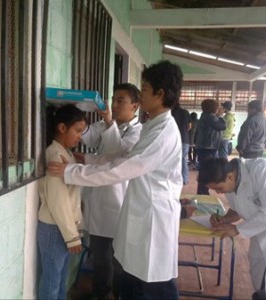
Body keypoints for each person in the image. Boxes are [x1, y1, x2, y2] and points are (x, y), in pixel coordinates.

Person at [49, 60, 183, 299]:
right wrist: (85, 162)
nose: (141, 97)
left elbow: (123, 168)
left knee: (153, 286)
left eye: (144, 90)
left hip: (152, 219)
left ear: (160, 94)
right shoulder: (154, 125)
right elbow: (117, 157)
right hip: (139, 212)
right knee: (131, 278)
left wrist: (72, 172)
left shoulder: (160, 132)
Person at [198, 157, 266, 300]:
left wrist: (237, 229)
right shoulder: (231, 183)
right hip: (261, 231)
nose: (218, 193)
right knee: (259, 273)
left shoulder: (262, 171)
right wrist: (225, 218)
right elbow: (237, 209)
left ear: (230, 177)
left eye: (218, 188)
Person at [80, 83, 142, 300]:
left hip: (118, 204)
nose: (114, 105)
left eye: (120, 101)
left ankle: (113, 296)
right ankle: (100, 295)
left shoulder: (138, 133)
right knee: (99, 257)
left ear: (135, 106)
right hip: (98, 200)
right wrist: (77, 117)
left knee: (115, 260)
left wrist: (108, 123)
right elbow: (87, 136)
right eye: (113, 99)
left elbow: (117, 155)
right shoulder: (106, 123)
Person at [37, 104, 87, 300]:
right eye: (77, 131)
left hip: (63, 229)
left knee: (59, 280)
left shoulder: (67, 155)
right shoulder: (55, 155)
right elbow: (59, 202)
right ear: (62, 128)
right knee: (51, 283)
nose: (79, 136)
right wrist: (71, 236)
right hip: (55, 229)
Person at [195, 99, 226, 194]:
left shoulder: (205, 116)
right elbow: (222, 126)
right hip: (208, 148)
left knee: (204, 169)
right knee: (206, 171)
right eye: (217, 107)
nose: (218, 109)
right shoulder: (210, 117)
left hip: (205, 147)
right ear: (213, 108)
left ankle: (203, 191)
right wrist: (220, 116)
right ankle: (202, 192)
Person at [172, 104, 191, 185]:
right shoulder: (185, 112)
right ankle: (184, 179)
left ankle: (174, 179)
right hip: (184, 139)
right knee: (183, 160)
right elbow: (189, 126)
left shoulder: (170, 112)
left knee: (173, 160)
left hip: (173, 139)